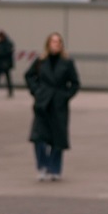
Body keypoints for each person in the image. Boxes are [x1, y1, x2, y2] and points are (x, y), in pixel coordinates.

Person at [25, 32, 80, 182]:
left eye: (58, 42)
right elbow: (29, 76)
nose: (55, 44)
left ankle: (54, 168)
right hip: (43, 103)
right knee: (38, 137)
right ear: (48, 44)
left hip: (58, 104)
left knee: (58, 138)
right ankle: (42, 166)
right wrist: (36, 91)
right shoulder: (40, 61)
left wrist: (65, 96)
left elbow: (75, 83)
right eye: (53, 41)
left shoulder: (67, 62)